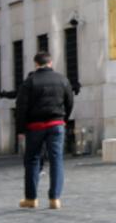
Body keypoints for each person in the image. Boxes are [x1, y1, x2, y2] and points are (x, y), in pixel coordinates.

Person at [15, 51, 74, 210]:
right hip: (56, 124)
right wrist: (63, 119)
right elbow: (70, 102)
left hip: (35, 126)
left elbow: (21, 108)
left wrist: (20, 129)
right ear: (51, 63)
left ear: (36, 64)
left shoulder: (29, 82)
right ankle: (55, 198)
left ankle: (31, 198)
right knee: (56, 160)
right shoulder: (62, 79)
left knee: (32, 160)